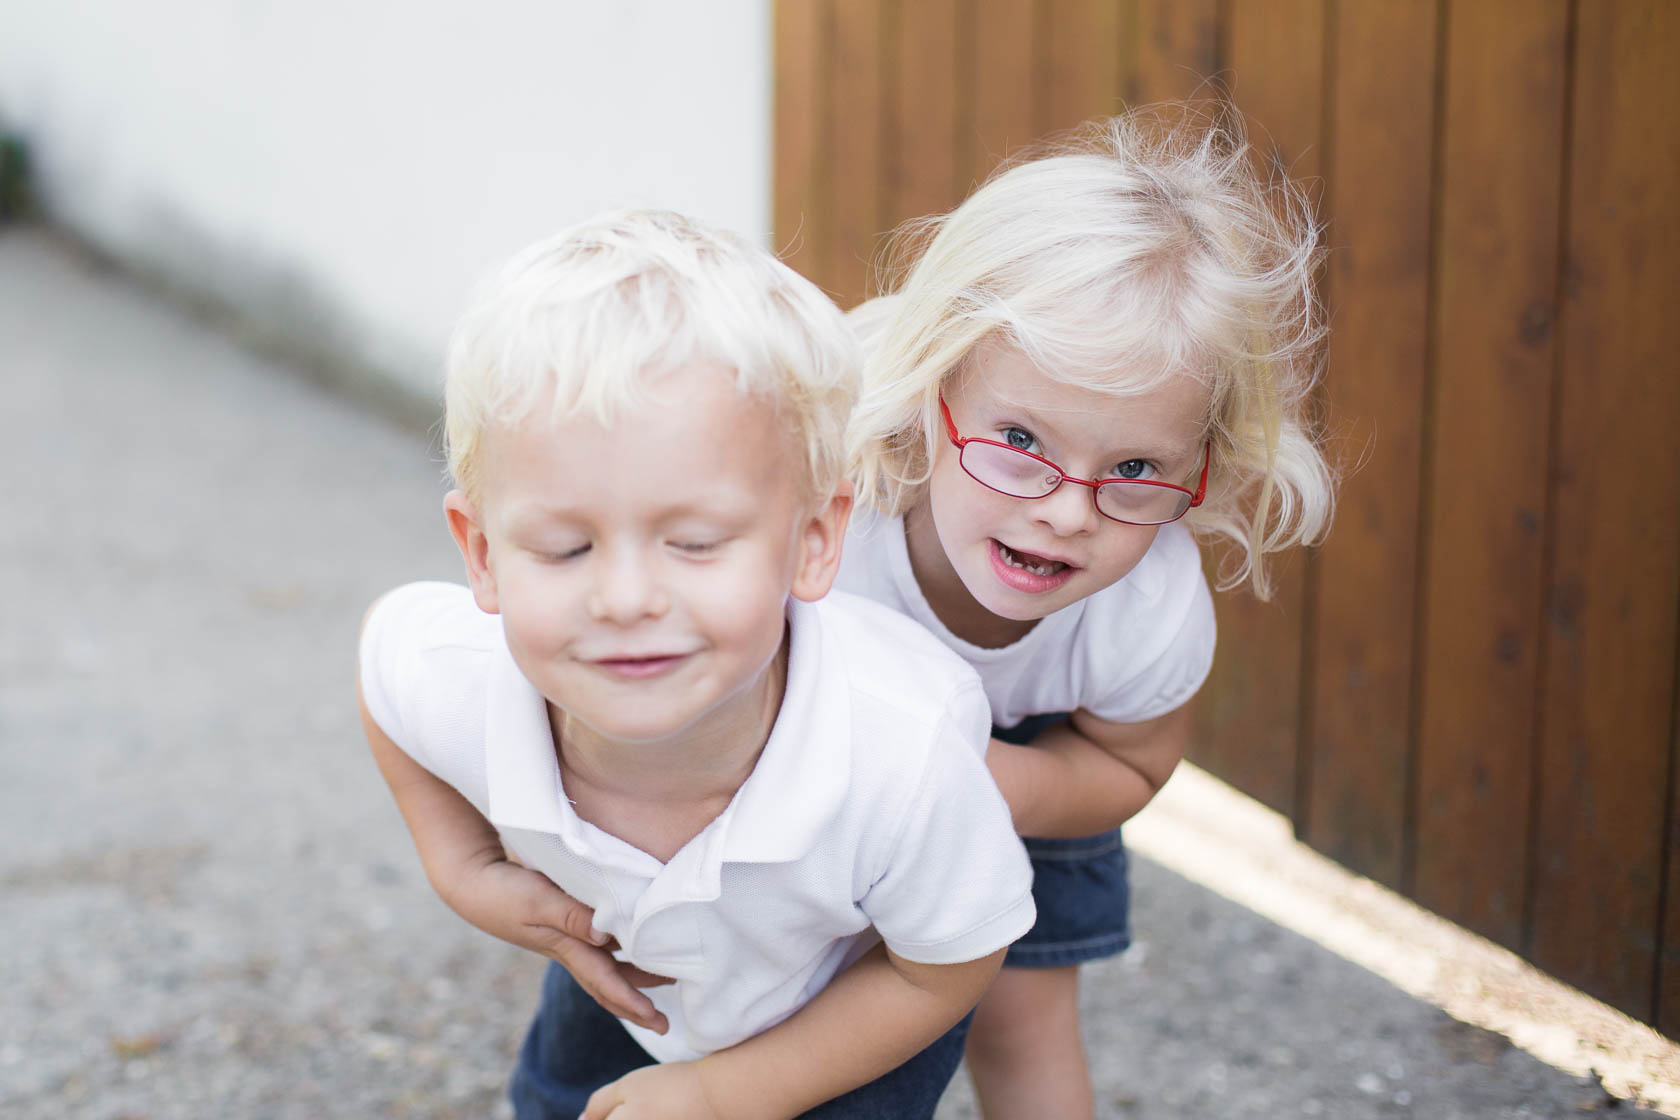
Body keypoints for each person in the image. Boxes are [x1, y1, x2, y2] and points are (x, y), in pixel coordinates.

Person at [356, 209, 1036, 1119]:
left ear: (814, 540)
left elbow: (947, 966)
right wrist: (464, 869)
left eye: (696, 541)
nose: (626, 597)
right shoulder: (458, 676)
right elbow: (383, 676)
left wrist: (728, 1092)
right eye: (564, 548)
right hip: (630, 964)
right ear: (481, 554)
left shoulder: (900, 761)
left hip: (850, 1001)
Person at [835, 102, 1338, 1117]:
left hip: (1030, 762)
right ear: (933, 386)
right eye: (1019, 439)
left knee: (1021, 1020)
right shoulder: (835, 519)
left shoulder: (1145, 609)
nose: (1068, 509)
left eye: (1137, 468)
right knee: (811, 989)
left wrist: (990, 782)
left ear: (1204, 465)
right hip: (827, 744)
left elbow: (1130, 763)